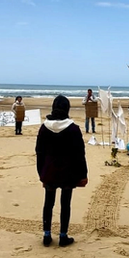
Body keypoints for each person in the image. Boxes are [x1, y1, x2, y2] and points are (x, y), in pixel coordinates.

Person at [35, 95, 88, 247]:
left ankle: (46, 235)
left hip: (49, 171)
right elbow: (80, 154)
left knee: (48, 203)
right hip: (68, 172)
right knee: (65, 204)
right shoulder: (73, 129)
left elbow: (39, 152)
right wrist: (83, 174)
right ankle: (63, 236)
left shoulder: (44, 128)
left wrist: (41, 173)